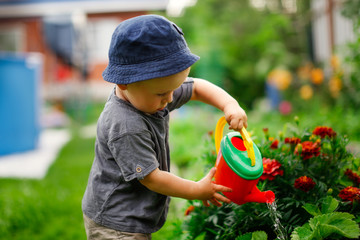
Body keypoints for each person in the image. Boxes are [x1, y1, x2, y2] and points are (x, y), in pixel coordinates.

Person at [82, 14, 248, 240]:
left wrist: (230, 104)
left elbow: (197, 88)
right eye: (162, 93)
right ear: (124, 82)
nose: (170, 99)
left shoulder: (151, 91)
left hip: (133, 214)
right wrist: (197, 190)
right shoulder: (126, 125)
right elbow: (151, 177)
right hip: (116, 223)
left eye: (175, 88)